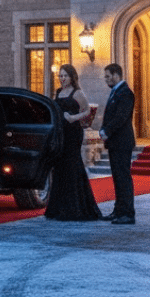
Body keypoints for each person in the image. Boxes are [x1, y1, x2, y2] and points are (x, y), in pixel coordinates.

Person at [44, 64, 102, 221]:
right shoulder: (58, 92)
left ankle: (75, 208)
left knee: (72, 166)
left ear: (72, 77)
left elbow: (87, 110)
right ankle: (58, 208)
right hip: (61, 133)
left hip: (73, 133)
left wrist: (73, 118)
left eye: (65, 76)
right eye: (60, 76)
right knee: (60, 167)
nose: (62, 78)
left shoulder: (78, 93)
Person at [99, 63, 136, 224]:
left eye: (108, 76)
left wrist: (106, 130)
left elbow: (121, 117)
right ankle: (119, 210)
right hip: (115, 143)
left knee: (123, 178)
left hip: (122, 142)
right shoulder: (116, 92)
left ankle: (127, 213)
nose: (106, 79)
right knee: (117, 178)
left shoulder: (125, 93)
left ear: (116, 75)